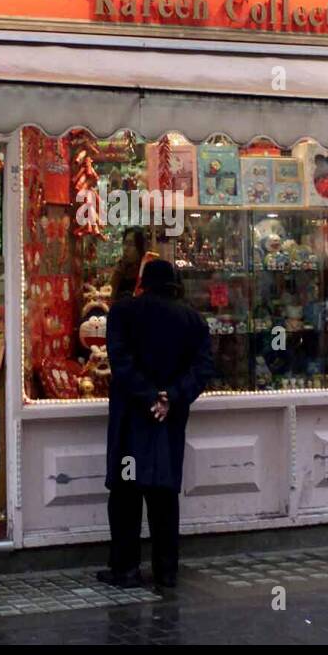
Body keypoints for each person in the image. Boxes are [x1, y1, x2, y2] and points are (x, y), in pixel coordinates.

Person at [101, 258, 214, 589]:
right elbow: (203, 368)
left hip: (130, 419)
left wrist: (148, 395)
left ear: (143, 282)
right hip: (168, 420)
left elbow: (120, 362)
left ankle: (126, 568)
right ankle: (166, 571)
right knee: (164, 496)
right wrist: (170, 398)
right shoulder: (193, 320)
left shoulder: (122, 313)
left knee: (125, 495)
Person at [109, 227, 147, 302]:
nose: (125, 248)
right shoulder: (121, 267)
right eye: (125, 243)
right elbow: (112, 296)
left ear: (140, 247)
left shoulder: (146, 271)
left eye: (130, 244)